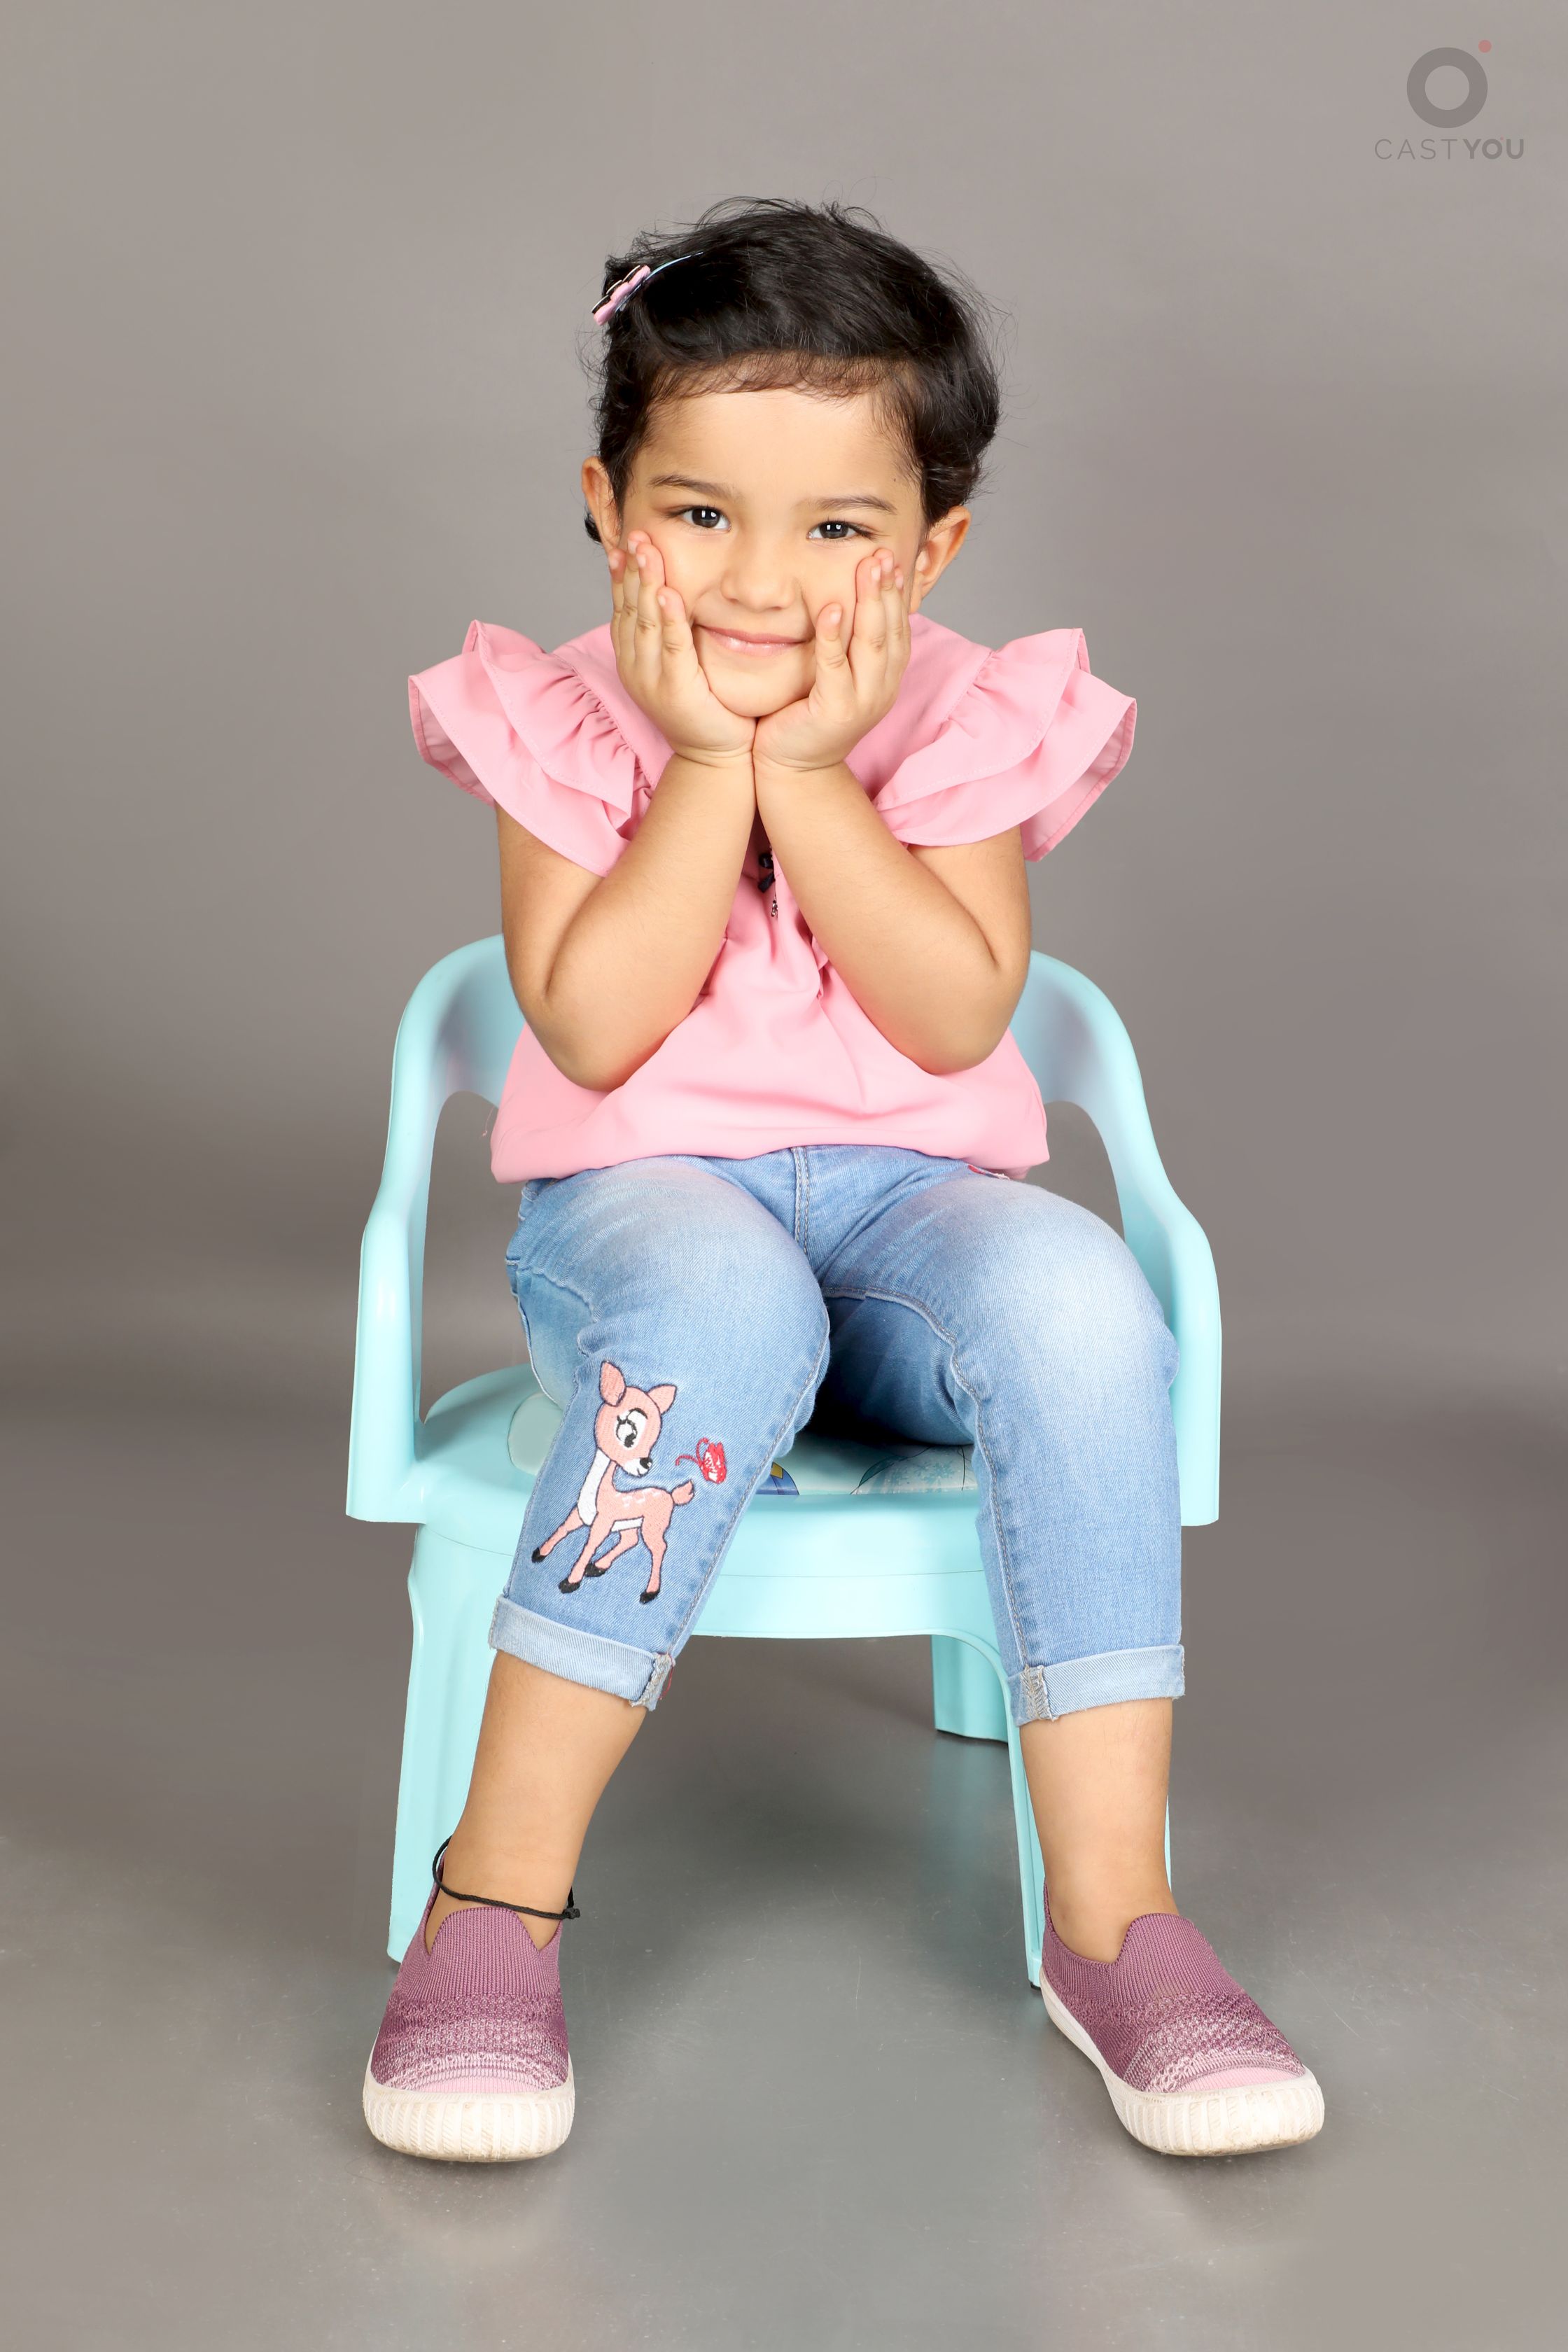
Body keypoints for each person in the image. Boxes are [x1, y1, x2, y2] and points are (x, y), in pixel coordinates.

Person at [362, 198, 1324, 2164]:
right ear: (607, 509)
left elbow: (957, 1016)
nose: (760, 582)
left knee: (1077, 1301)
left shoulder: (967, 712)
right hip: (645, 1219)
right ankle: (494, 1899)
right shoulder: (561, 713)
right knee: (723, 1306)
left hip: (905, 1225)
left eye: (836, 531)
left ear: (933, 549)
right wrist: (709, 766)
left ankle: (1117, 1922)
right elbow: (596, 1028)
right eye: (699, 514)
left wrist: (813, 772)